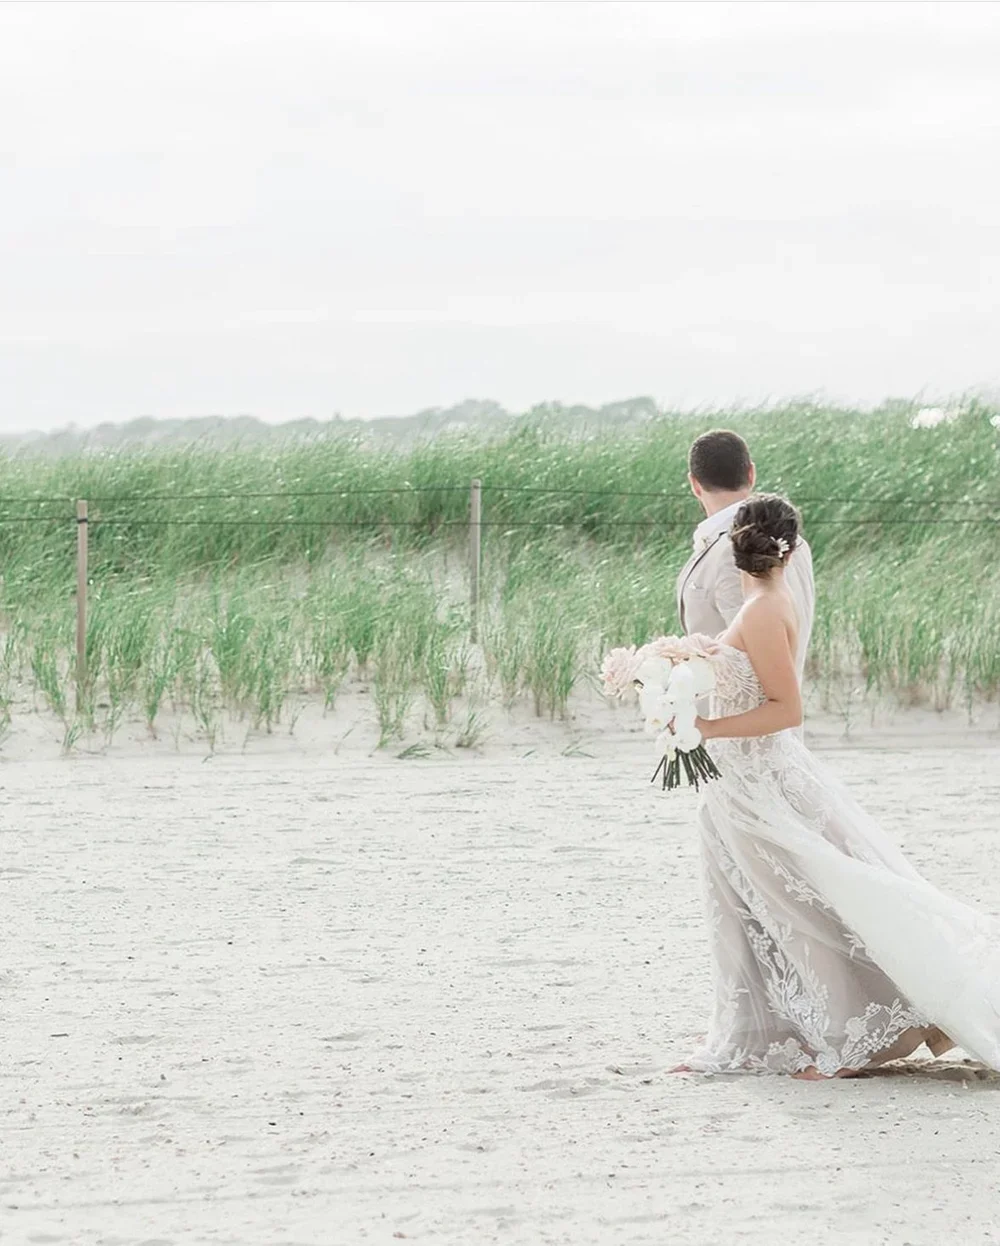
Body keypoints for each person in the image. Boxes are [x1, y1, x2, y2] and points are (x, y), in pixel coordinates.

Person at [671, 493, 998, 1078]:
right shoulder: (759, 605)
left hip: (762, 778)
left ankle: (849, 1043)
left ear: (734, 545)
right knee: (764, 908)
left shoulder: (767, 609)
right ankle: (773, 1025)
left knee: (803, 908)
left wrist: (707, 727)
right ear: (790, 548)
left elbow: (785, 709)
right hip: (739, 778)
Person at [676, 430, 814, 681]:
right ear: (751, 473)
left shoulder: (736, 550)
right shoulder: (794, 542)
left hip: (734, 716)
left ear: (694, 484)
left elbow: (756, 658)